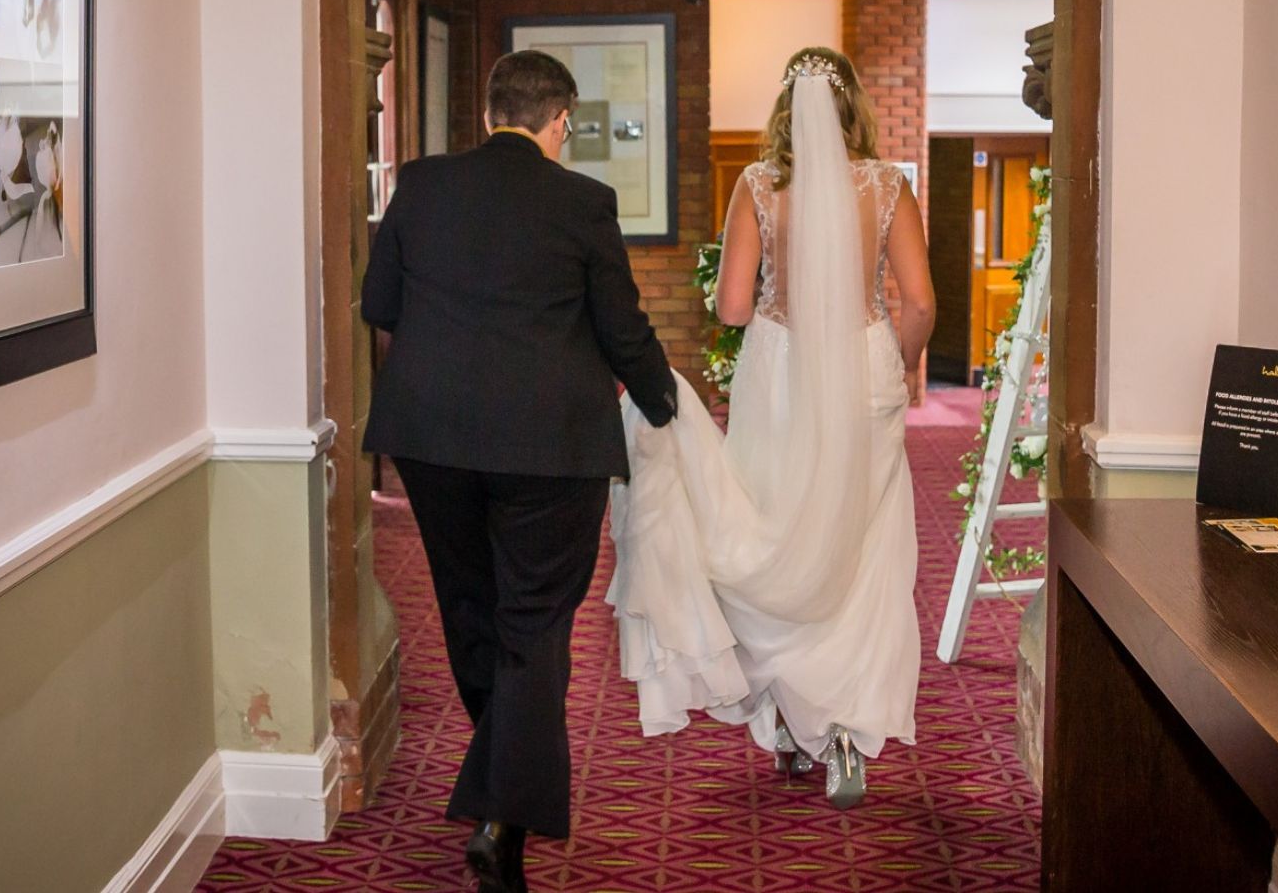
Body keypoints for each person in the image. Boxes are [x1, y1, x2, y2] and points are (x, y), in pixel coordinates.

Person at [361, 49, 677, 893]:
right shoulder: (582, 201)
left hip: (429, 439)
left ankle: (499, 790)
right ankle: (502, 823)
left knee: (470, 607)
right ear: (561, 120)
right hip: (550, 444)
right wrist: (664, 402)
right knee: (533, 623)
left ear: (489, 108)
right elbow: (621, 326)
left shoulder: (421, 185)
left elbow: (378, 305)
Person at [608, 47, 935, 811]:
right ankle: (845, 733)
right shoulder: (889, 186)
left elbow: (729, 308)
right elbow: (918, 302)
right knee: (860, 545)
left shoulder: (757, 185)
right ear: (853, 104)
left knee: (772, 525)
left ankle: (790, 719)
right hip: (866, 369)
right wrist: (898, 365)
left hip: (781, 370)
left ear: (785, 108)